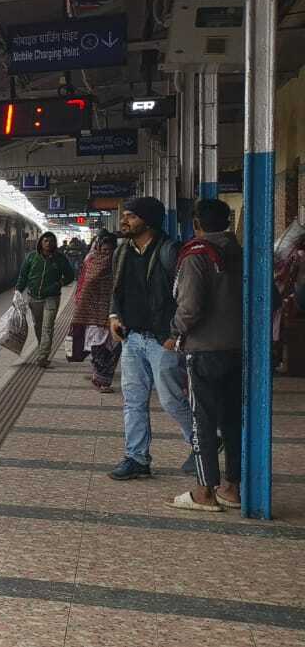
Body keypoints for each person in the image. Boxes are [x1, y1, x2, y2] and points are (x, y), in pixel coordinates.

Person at [107, 196, 195, 480]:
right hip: (132, 338)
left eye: (131, 216)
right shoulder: (122, 252)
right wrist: (114, 316)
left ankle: (203, 443)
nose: (124, 220)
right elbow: (116, 289)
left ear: (148, 221)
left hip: (162, 340)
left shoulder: (171, 252)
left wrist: (174, 334)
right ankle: (136, 458)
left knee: (171, 400)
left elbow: (187, 296)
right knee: (133, 401)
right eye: (125, 215)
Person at [166, 199, 243, 511]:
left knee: (203, 422)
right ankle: (232, 488)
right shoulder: (243, 253)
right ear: (227, 221)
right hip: (239, 349)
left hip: (204, 351)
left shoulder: (197, 254)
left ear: (196, 224)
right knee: (234, 420)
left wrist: (174, 332)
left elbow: (190, 307)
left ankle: (204, 491)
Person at [67, 231, 121, 392]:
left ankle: (102, 377)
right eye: (104, 250)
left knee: (114, 347)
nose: (107, 254)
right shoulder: (91, 261)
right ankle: (101, 381)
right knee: (98, 346)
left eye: (110, 250)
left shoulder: (120, 263)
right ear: (98, 248)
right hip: (93, 314)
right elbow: (85, 286)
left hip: (114, 314)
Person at [15, 231, 75, 368]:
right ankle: (42, 347)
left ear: (55, 243)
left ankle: (43, 356)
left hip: (51, 297)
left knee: (47, 327)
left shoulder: (60, 259)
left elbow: (70, 276)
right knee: (38, 325)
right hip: (34, 297)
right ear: (41, 242)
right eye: (45, 240)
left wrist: (58, 284)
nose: (48, 243)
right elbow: (23, 275)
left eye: (51, 241)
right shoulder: (31, 257)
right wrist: (18, 290)